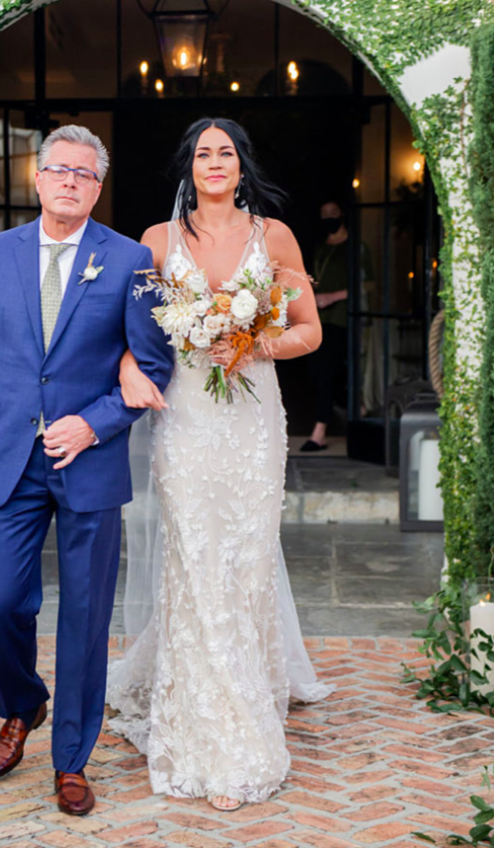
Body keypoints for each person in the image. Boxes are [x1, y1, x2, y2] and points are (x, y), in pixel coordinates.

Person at [0, 125, 173, 816]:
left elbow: (153, 364)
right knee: (2, 600)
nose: (70, 181)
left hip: (90, 463)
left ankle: (71, 760)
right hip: (9, 457)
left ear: (98, 187)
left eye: (84, 173)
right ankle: (22, 706)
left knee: (85, 616)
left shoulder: (131, 259)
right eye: (58, 170)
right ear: (37, 180)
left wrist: (94, 422)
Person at [107, 118, 333, 812]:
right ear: (188, 165)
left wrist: (253, 343)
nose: (214, 163)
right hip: (187, 419)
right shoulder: (155, 240)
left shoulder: (277, 237)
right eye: (202, 153)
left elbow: (309, 331)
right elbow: (125, 328)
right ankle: (208, 731)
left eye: (225, 153)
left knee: (246, 558)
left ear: (241, 166)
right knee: (197, 560)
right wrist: (125, 369)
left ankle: (250, 693)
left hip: (252, 419)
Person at [301, 199, 373, 451]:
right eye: (324, 214)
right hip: (318, 320)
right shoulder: (321, 248)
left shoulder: (356, 247)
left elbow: (369, 285)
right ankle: (359, 408)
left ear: (342, 214)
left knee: (326, 373)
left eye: (333, 213)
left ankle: (319, 432)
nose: (329, 218)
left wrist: (334, 296)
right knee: (318, 372)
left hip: (343, 318)